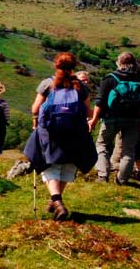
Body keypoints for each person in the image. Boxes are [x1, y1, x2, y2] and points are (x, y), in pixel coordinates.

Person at [29, 52, 94, 220]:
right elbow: (88, 112)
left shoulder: (47, 83)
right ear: (74, 67)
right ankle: (56, 201)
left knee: (51, 165)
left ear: (56, 65)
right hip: (75, 132)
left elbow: (35, 109)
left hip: (51, 132)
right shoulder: (81, 86)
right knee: (68, 165)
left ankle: (57, 201)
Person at [87, 52, 140, 185]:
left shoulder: (110, 78)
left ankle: (103, 175)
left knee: (102, 145)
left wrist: (94, 120)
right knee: (129, 150)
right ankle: (122, 179)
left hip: (111, 118)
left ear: (118, 63)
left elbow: (99, 102)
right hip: (134, 119)